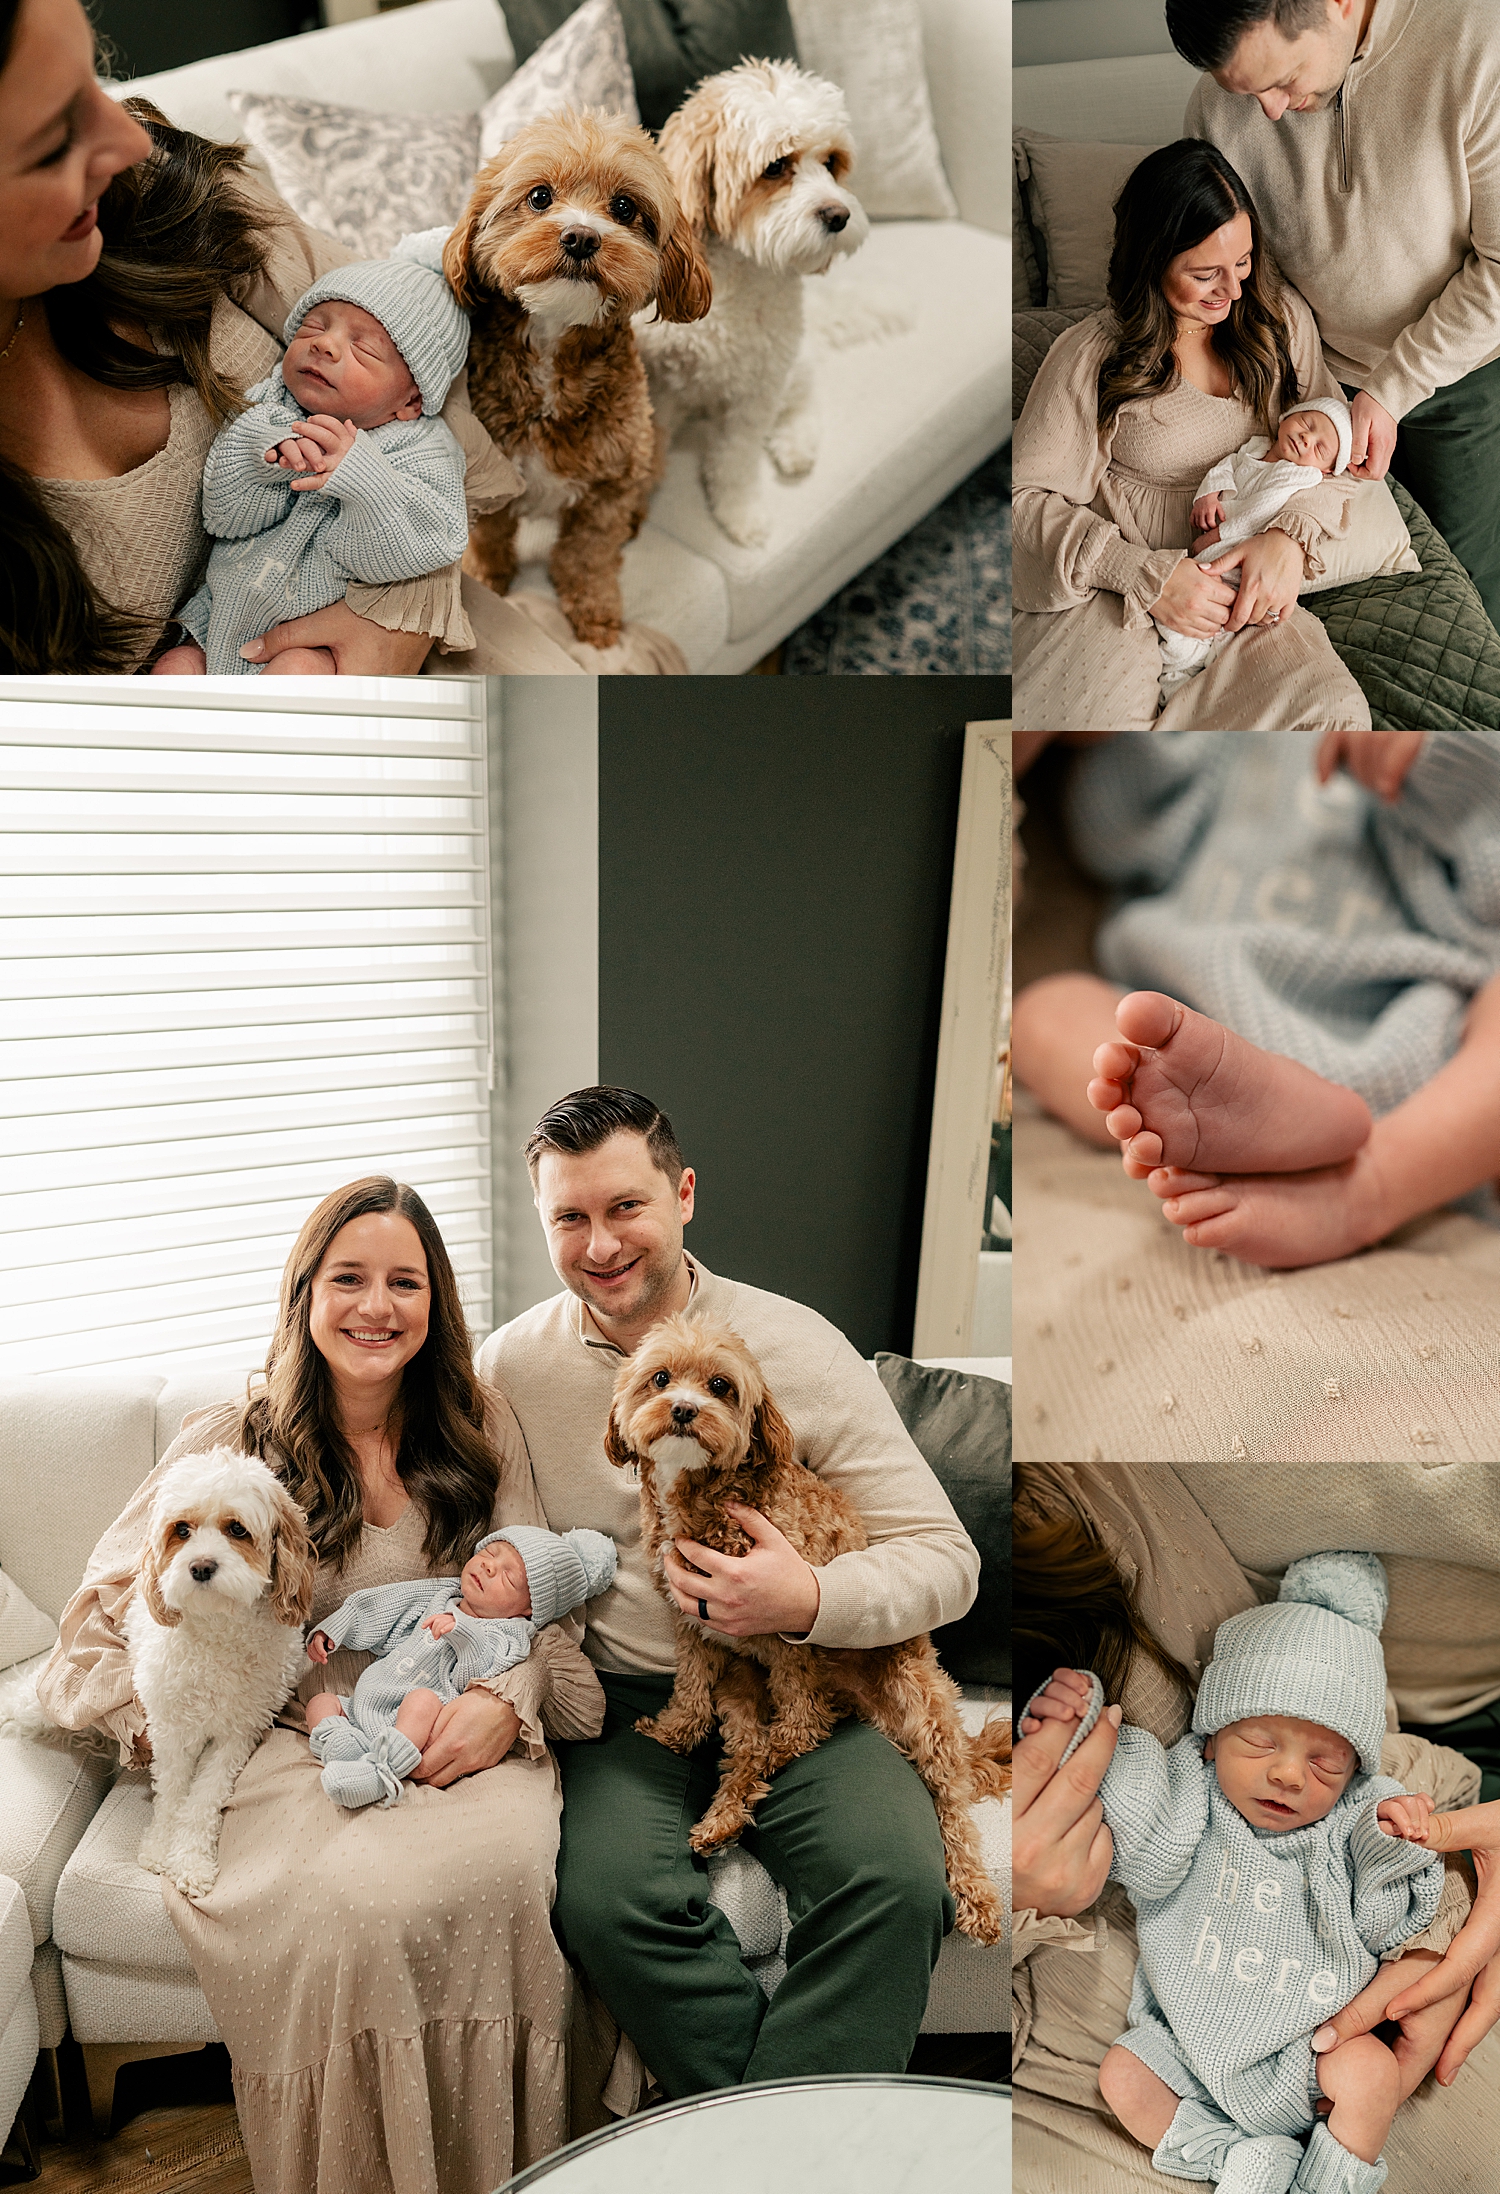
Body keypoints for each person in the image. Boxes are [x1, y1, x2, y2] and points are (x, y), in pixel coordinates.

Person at [37, 1176, 605, 2194]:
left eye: (404, 1281)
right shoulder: (230, 1437)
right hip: (292, 1739)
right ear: (305, 1293)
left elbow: (535, 1594)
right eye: (347, 1278)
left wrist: (502, 1704)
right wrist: (161, 1723)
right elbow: (99, 1610)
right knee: (362, 1904)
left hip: (459, 1722)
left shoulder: (483, 1423)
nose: (376, 1307)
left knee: (512, 1876)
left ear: (437, 1302)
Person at [476, 1085, 982, 2097]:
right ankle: (790, 2139)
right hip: (631, 1702)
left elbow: (945, 1557)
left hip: (811, 1686)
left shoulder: (794, 1345)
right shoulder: (511, 1370)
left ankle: (752, 2153)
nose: (602, 1243)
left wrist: (807, 1598)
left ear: (685, 1194)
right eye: (569, 1218)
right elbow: (490, 1553)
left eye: (627, 1206)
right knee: (609, 1903)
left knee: (894, 1881)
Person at [0, 0, 578, 673]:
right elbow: (230, 505)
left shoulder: (167, 192)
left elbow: (444, 409)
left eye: (93, 81)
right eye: (51, 140)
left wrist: (402, 609)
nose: (128, 140)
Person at [1010, 1459, 1500, 2194]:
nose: (1290, 1776)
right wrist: (1076, 1733)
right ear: (1210, 1737)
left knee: (1368, 2076)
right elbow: (1131, 1803)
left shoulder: (1350, 1819)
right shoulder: (1194, 1795)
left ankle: (1328, 2184)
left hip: (1314, 2045)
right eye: (1260, 1745)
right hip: (1182, 2042)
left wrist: (1400, 1838)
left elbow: (1386, 1913)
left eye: (1327, 1763)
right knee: (1125, 2077)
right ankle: (1230, 2161)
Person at [1012, 729, 1500, 1269]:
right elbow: (1113, 836)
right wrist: (1095, 725)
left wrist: (1439, 757)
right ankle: (1195, 1123)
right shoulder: (1218, 727)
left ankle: (1371, 1184)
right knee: (1044, 1011)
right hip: (1186, 1033)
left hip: (1414, 1051)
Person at [1014, 136, 1371, 732]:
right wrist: (1141, 574)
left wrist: (1288, 538)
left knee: (1330, 718)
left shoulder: (1277, 320)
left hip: (1240, 591)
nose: (1232, 292)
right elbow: (1020, 505)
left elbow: (1336, 446)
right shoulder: (1092, 357)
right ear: (1151, 261)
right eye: (1205, 274)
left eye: (1243, 263)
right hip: (1116, 589)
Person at [1174, 0, 1500, 631]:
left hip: (1461, 380)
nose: (1266, 111)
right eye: (1247, 91)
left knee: (1469, 606)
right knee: (1330, 606)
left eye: (1281, 80)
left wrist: (1393, 387)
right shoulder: (1218, 108)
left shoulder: (1476, 43)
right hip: (1310, 386)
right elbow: (1248, 271)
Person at [155, 241, 471, 676]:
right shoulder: (273, 407)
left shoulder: (423, 449)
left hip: (313, 638)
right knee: (175, 668)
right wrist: (265, 459)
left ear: (411, 399)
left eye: (364, 349)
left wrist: (364, 481)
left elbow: (424, 544)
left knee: (297, 674)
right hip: (216, 621)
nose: (325, 345)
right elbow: (224, 517)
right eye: (312, 327)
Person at [305, 1522, 616, 1808]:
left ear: (526, 1610)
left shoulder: (511, 1635)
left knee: (422, 1700)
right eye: (490, 1552)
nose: (489, 1566)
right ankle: (339, 1745)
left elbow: (479, 1672)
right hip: (364, 1704)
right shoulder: (443, 1594)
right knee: (321, 1702)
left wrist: (461, 1632)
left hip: (418, 1726)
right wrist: (337, 1629)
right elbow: (389, 1604)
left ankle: (379, 1773)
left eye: (508, 1577)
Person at [1158, 398, 1351, 700]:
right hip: (1213, 554)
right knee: (1186, 623)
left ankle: (1196, 675)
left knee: (1225, 624)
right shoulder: (1255, 447)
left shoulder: (1301, 475)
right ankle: (1178, 680)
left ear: (1325, 471)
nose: (1306, 438)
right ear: (1288, 416)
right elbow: (1226, 467)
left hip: (1246, 554)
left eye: (1319, 448)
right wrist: (1208, 496)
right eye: (1307, 424)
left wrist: (1220, 533)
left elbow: (1260, 511)